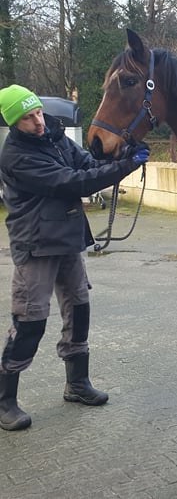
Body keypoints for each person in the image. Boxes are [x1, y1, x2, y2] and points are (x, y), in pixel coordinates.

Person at [0, 84, 149, 431]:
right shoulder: (16, 156)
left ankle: (77, 384)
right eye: (27, 119)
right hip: (36, 244)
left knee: (79, 307)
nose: (38, 122)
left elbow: (89, 163)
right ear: (13, 123)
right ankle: (5, 400)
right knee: (30, 320)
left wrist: (125, 151)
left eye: (37, 112)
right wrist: (126, 167)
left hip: (67, 239)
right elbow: (74, 182)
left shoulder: (54, 135)